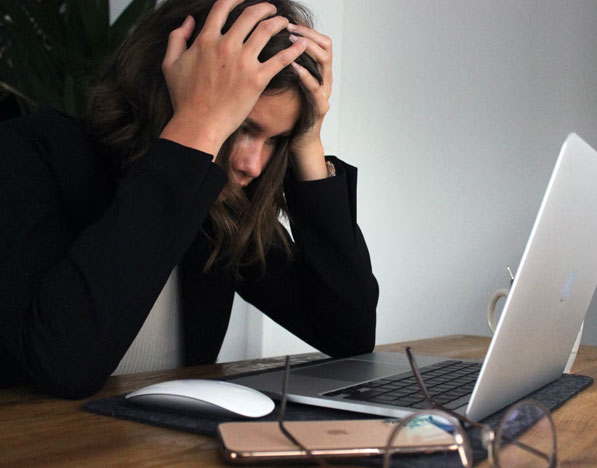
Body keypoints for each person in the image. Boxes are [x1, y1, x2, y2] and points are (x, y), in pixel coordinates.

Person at [0, 0, 378, 398]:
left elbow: (348, 334)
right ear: (167, 88)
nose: (253, 165)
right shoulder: (30, 155)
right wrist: (197, 126)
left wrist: (307, 141)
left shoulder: (219, 205)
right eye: (242, 126)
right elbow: (63, 366)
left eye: (277, 139)